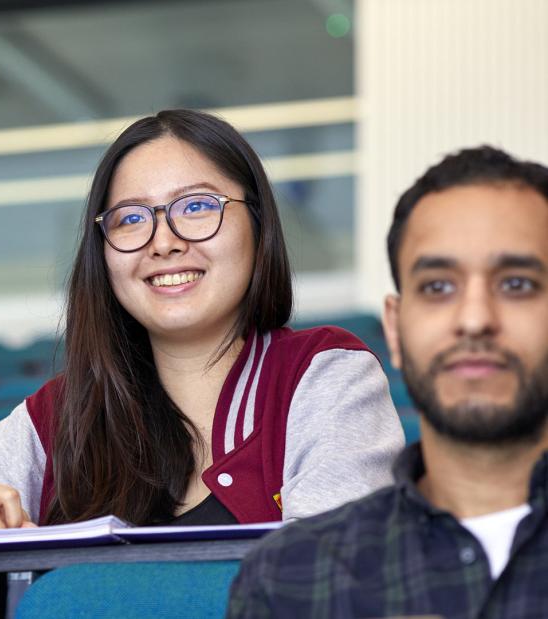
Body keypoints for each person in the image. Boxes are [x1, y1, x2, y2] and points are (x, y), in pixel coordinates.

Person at [0, 109, 403, 555]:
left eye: (197, 206)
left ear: (260, 226)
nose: (164, 242)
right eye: (131, 218)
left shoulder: (325, 377)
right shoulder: (55, 420)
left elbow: (330, 582)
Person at [227, 146, 548, 617]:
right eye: (438, 287)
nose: (475, 319)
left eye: (516, 284)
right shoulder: (288, 578)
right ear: (395, 330)